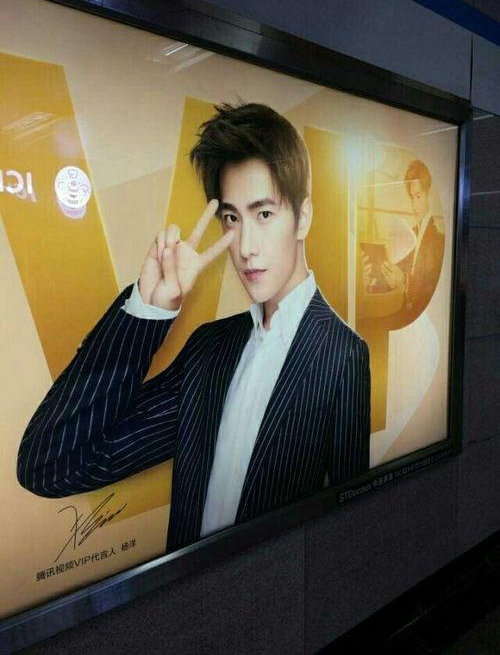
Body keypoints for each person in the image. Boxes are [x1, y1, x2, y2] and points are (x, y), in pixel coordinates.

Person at [17, 102, 371, 553]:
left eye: (264, 214)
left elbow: (349, 523)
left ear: (302, 218)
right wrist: (149, 309)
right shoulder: (209, 349)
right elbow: (50, 466)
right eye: (232, 218)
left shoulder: (342, 353)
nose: (245, 247)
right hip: (191, 593)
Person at [376, 159, 445, 324]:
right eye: (412, 198)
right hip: (404, 310)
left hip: (424, 318)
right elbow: (399, 271)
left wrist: (403, 280)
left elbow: (430, 289)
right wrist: (380, 271)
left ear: (429, 195)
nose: (414, 205)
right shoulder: (411, 233)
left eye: (418, 197)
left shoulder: (438, 240)